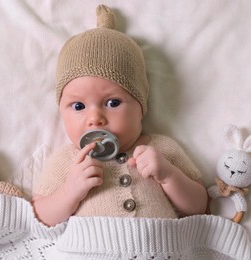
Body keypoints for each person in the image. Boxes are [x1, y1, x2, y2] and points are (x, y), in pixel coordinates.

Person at [32, 5, 207, 227]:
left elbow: (199, 206)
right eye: (78, 106)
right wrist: (70, 191)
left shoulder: (161, 149)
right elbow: (40, 216)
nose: (95, 118)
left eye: (113, 103)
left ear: (140, 107)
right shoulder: (68, 161)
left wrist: (169, 176)